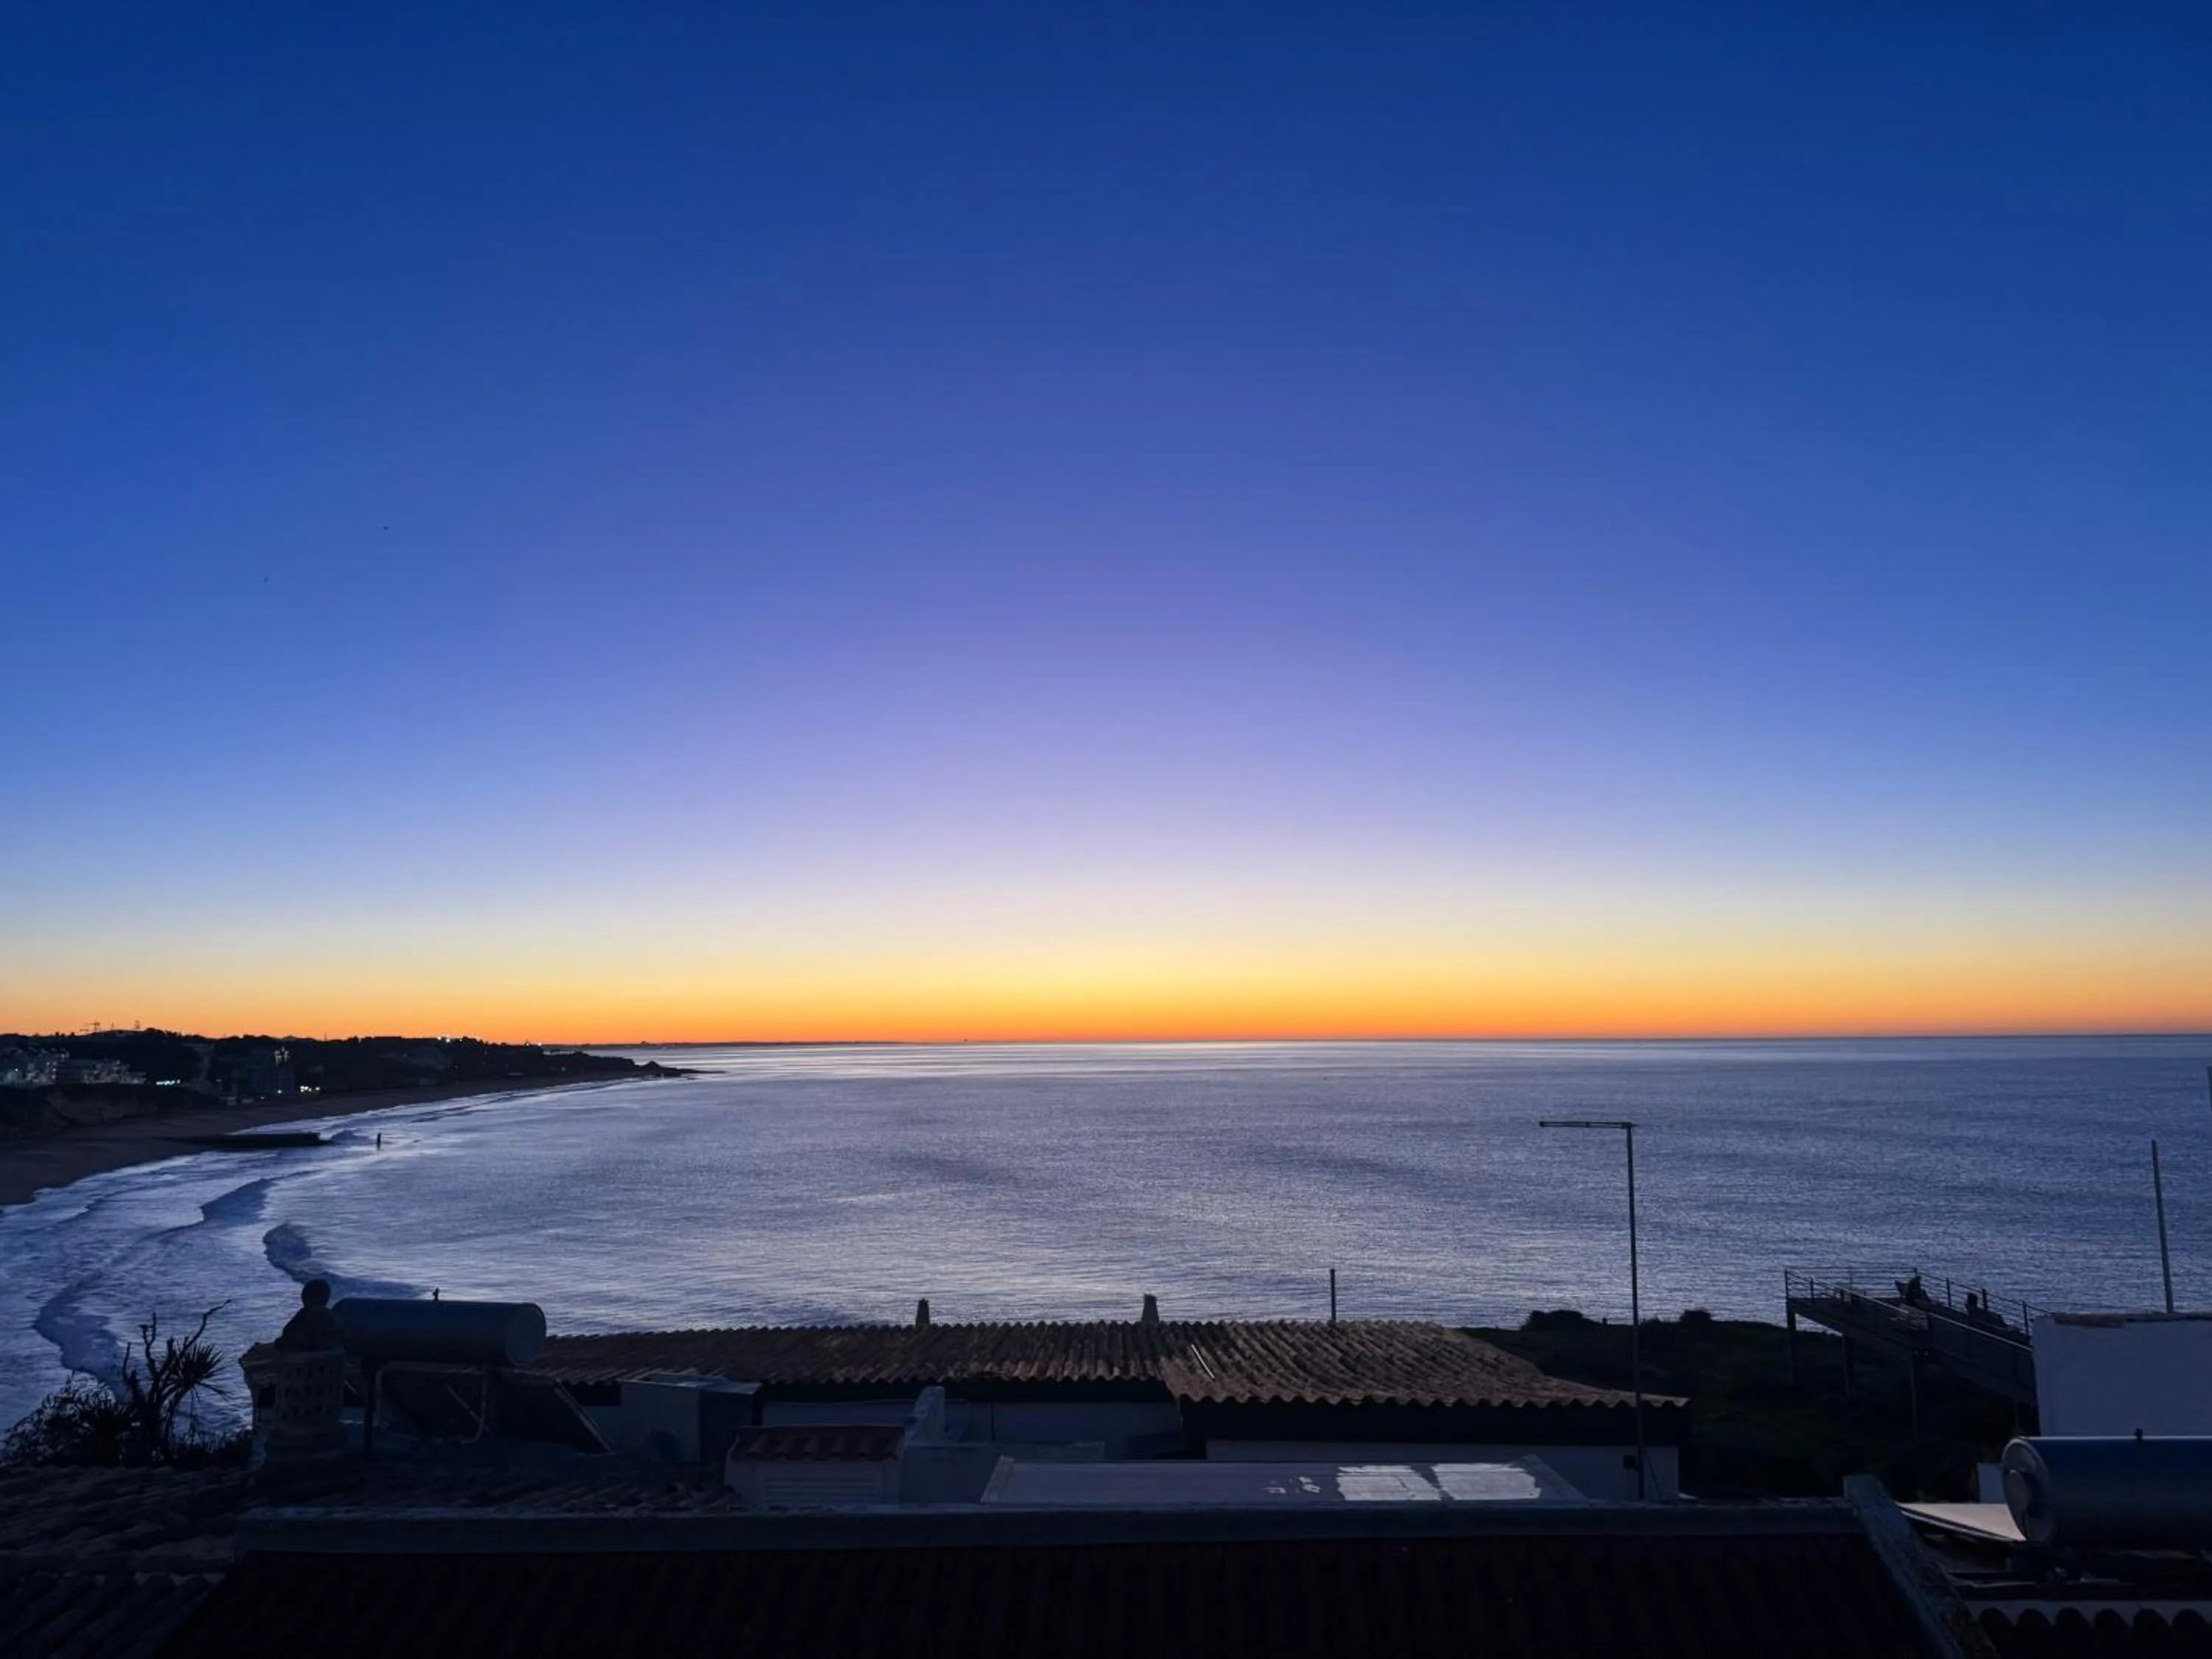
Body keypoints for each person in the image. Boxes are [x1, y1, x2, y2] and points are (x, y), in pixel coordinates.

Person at [276, 1278, 344, 1351]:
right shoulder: (331, 1317)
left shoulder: (306, 1315)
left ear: (304, 1298)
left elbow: (288, 1336)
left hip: (307, 1356)